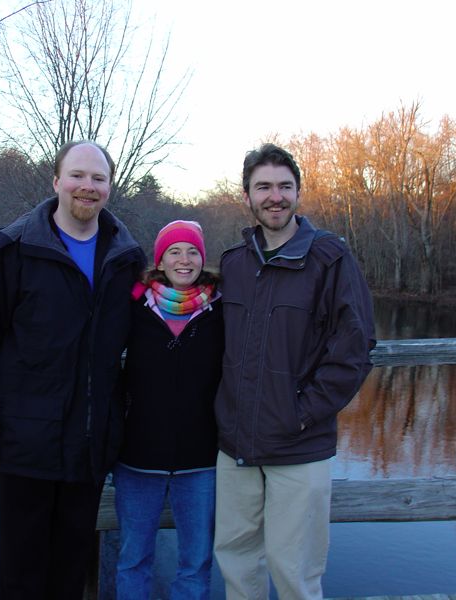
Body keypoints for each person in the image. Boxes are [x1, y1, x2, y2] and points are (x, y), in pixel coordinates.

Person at [0, 140, 146, 600]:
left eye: (98, 178)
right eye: (77, 176)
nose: (88, 186)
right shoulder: (15, 249)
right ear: (56, 181)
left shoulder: (126, 258)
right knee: (23, 571)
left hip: (90, 443)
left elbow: (147, 342)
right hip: (24, 441)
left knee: (70, 568)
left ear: (110, 187)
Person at [213, 143, 376, 600]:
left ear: (298, 193)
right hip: (236, 444)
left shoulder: (330, 258)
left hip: (298, 445)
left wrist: (300, 413)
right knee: (236, 559)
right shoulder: (234, 263)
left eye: (285, 186)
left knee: (295, 572)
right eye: (263, 186)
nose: (275, 196)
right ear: (246, 195)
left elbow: (355, 348)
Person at [114, 220, 223, 600]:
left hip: (201, 460)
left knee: (195, 563)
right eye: (174, 251)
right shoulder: (133, 308)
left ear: (202, 259)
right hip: (138, 459)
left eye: (192, 251)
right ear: (160, 260)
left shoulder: (220, 310)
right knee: (133, 559)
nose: (184, 259)